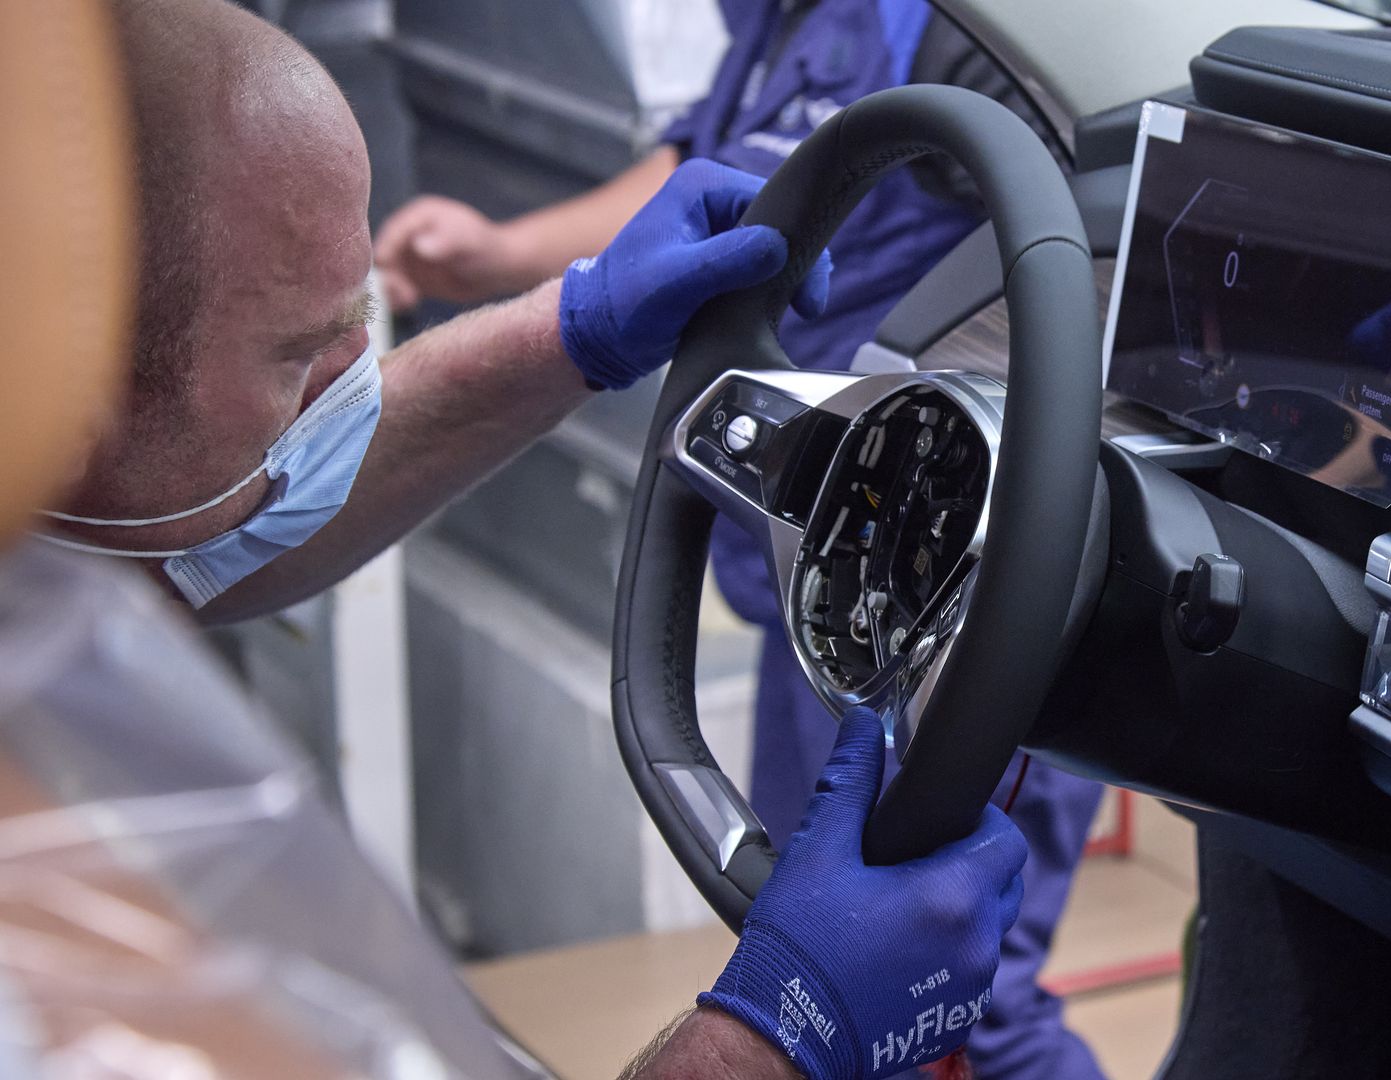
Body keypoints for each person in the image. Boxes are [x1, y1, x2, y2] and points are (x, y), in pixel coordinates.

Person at [15, 0, 1028, 1076]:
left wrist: (576, 327)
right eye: (297, 359)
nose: (355, 380)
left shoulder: (45, 551)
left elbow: (211, 535)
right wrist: (780, 1030)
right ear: (64, 398)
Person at [375, 6, 1108, 1078]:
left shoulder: (978, 33)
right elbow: (719, 179)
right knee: (787, 927)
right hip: (821, 608)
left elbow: (1097, 248)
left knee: (967, 1012)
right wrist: (501, 257)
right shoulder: (773, 20)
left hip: (960, 621)